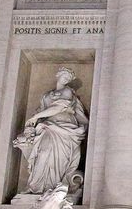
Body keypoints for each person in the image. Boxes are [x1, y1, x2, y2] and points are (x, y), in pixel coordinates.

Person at [14, 67, 88, 195]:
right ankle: (36, 187)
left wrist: (36, 117)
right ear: (58, 75)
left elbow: (58, 108)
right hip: (47, 127)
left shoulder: (67, 91)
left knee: (59, 159)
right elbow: (41, 110)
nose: (66, 79)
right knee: (42, 153)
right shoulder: (46, 95)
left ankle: (53, 188)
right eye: (65, 76)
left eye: (69, 78)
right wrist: (33, 122)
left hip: (64, 129)